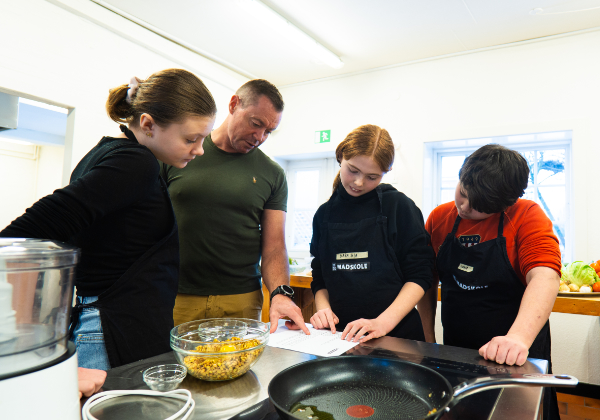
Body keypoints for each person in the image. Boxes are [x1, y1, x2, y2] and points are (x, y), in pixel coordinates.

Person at [0, 68, 217, 369]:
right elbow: (39, 224)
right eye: (192, 138)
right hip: (113, 333)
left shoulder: (104, 154)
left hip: (113, 325)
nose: (200, 150)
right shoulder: (136, 164)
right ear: (148, 124)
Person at [417, 144, 561, 419]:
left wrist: (517, 338)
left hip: (517, 352)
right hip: (457, 348)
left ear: (505, 204)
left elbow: (545, 276)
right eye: (463, 193)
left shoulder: (527, 216)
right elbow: (426, 283)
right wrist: (428, 338)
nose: (464, 207)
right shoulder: (439, 218)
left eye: (479, 208)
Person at [161, 79, 308, 334]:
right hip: (177, 294)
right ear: (233, 105)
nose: (260, 137)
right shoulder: (180, 152)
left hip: (242, 299)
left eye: (269, 131)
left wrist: (280, 293)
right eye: (256, 123)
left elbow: (274, 246)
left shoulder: (272, 174)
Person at [304, 124, 435, 343]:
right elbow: (320, 275)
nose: (358, 182)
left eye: (372, 177)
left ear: (386, 173)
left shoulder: (398, 207)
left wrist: (381, 323)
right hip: (340, 338)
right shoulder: (324, 215)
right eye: (352, 170)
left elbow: (420, 275)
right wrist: (324, 310)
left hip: (396, 337)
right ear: (340, 157)